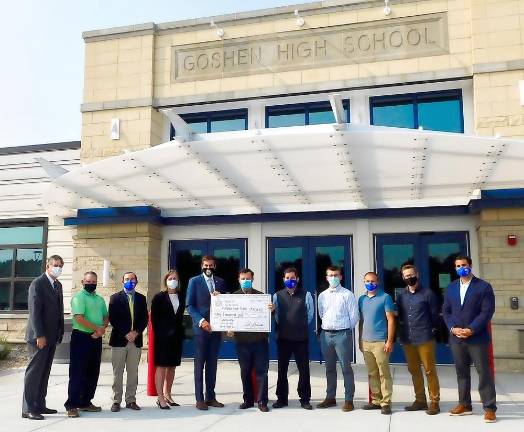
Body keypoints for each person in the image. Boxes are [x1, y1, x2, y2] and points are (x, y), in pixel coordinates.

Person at [443, 255, 497, 423]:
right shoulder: (451, 287)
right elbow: (446, 311)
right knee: (462, 373)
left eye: (464, 265)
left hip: (477, 338)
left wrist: (471, 329)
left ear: (470, 265)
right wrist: (453, 328)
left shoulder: (483, 287)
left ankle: (489, 408)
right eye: (458, 266)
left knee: (484, 373)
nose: (461, 268)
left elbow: (487, 311)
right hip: (457, 338)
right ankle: (464, 404)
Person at [22, 255, 65, 420]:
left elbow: (59, 311)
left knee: (44, 373)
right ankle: (28, 408)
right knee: (34, 373)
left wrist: (59, 332)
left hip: (52, 337)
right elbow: (34, 312)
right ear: (48, 266)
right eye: (55, 265)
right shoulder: (38, 283)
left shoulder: (57, 285)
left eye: (61, 266)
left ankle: (40, 405)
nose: (58, 268)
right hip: (39, 338)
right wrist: (39, 334)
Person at [397, 264, 441, 415]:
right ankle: (420, 400)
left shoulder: (428, 294)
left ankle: (434, 401)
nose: (409, 277)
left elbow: (435, 316)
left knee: (429, 370)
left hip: (425, 338)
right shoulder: (402, 295)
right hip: (408, 339)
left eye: (411, 274)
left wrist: (433, 330)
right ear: (403, 278)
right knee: (414, 370)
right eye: (406, 276)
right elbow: (401, 316)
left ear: (417, 274)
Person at [64, 271, 108, 418]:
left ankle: (85, 402)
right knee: (78, 372)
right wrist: (96, 329)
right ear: (83, 282)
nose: (91, 284)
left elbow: (106, 316)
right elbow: (79, 318)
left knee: (92, 371)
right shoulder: (79, 297)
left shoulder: (99, 299)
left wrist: (101, 330)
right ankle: (71, 405)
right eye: (88, 282)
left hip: (96, 338)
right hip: (81, 337)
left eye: (93, 282)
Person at [186, 255, 226, 410]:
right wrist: (201, 321)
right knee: (199, 365)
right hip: (201, 330)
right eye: (206, 265)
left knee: (212, 364)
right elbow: (189, 305)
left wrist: (222, 297)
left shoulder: (220, 282)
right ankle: (199, 399)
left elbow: (226, 304)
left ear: (214, 267)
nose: (208, 268)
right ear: (202, 266)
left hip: (216, 330)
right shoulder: (194, 281)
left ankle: (211, 397)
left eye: (211, 266)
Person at [229, 268, 273, 412]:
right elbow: (228, 318)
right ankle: (248, 400)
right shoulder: (232, 298)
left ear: (252, 280)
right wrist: (229, 329)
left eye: (248, 279)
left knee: (262, 371)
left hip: (259, 341)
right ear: (238, 279)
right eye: (243, 279)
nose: (246, 281)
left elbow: (269, 320)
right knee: (245, 371)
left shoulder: (262, 297)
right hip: (242, 342)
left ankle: (262, 401)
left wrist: (271, 311)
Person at [316, 265, 359, 412]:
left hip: (342, 334)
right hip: (326, 334)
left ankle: (349, 400)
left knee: (345, 367)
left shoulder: (347, 295)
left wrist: (344, 328)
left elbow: (354, 316)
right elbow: (322, 314)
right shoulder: (322, 295)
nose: (333, 278)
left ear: (340, 277)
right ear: (326, 278)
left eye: (336, 275)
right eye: (330, 275)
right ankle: (330, 397)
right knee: (329, 368)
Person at [272, 267, 314, 410]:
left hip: (301, 339)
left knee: (304, 370)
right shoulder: (277, 295)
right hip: (283, 339)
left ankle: (305, 399)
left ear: (298, 279)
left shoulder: (306, 294)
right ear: (283, 280)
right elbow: (276, 316)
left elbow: (310, 315)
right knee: (282, 370)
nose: (290, 280)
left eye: (293, 278)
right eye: (287, 278)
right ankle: (282, 399)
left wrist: (299, 326)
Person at [108, 271, 148, 412]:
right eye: (127, 279)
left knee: (133, 372)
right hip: (119, 340)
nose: (130, 281)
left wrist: (136, 332)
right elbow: (113, 319)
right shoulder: (115, 298)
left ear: (136, 281)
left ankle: (131, 400)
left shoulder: (142, 299)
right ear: (122, 281)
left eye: (132, 279)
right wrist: (126, 333)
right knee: (117, 373)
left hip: (135, 341)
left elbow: (144, 318)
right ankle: (116, 401)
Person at [358, 271, 395, 415]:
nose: (370, 283)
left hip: (381, 342)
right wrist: (360, 340)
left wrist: (389, 341)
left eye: (373, 281)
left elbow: (391, 319)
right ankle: (376, 400)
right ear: (364, 282)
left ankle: (386, 402)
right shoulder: (361, 299)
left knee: (383, 373)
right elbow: (362, 321)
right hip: (366, 342)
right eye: (367, 281)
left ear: (377, 282)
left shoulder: (385, 297)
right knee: (372, 373)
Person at [150, 269, 185, 410]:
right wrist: (161, 334)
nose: (173, 281)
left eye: (175, 278)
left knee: (172, 366)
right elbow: (154, 319)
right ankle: (160, 398)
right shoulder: (159, 297)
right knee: (162, 366)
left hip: (176, 337)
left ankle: (168, 394)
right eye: (170, 278)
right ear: (166, 281)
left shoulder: (181, 296)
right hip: (163, 337)